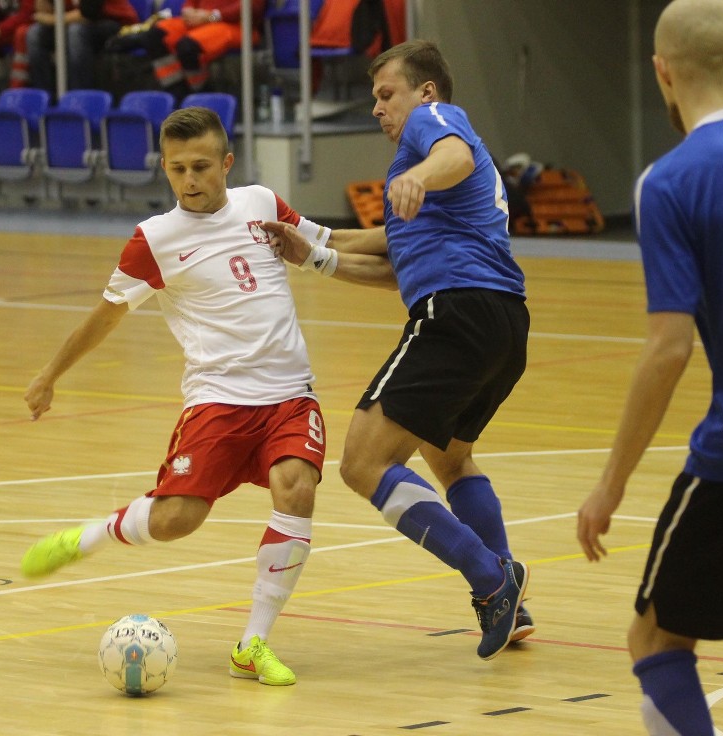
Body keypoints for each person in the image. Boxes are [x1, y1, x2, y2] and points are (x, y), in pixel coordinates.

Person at [19, 106, 370, 686]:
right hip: (218, 399)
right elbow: (104, 318)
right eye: (178, 168)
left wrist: (412, 241)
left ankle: (253, 643)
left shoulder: (261, 202)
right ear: (164, 168)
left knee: (297, 488)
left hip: (290, 396)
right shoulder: (154, 239)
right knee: (178, 519)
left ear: (226, 164)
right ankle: (87, 537)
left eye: (202, 166)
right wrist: (50, 375)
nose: (190, 180)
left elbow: (328, 242)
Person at [264, 39, 533, 661]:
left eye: (388, 95)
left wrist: (416, 173)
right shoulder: (427, 199)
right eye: (375, 99)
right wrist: (315, 251)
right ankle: (512, 602)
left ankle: (492, 580)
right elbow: (397, 262)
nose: (379, 109)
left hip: (456, 315)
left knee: (361, 463)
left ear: (426, 93)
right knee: (451, 460)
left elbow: (453, 154)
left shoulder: (436, 130)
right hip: (501, 323)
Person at [576, 1, 723, 734]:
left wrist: (609, 486)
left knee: (655, 638)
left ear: (662, 73)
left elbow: (669, 348)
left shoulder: (671, 182)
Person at [106, 0, 266, 99]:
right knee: (154, 36)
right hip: (202, 21)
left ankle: (201, 96)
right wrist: (188, 10)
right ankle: (178, 93)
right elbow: (190, 3)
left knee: (187, 46)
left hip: (237, 25)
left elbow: (253, 7)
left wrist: (212, 16)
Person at [26, 0, 138, 95]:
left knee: (75, 32)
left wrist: (51, 20)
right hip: (71, 22)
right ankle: (44, 99)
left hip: (115, 23)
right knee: (34, 33)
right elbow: (42, 12)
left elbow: (88, 13)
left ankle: (80, 97)